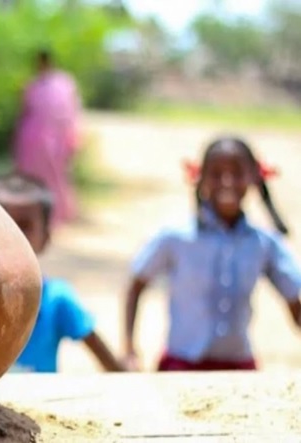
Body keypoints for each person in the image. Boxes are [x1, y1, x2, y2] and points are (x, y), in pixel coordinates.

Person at [122, 136, 301, 372]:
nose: (227, 182)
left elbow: (294, 301)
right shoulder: (175, 238)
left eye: (237, 173)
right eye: (216, 174)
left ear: (254, 177)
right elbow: (136, 286)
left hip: (239, 369)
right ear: (200, 178)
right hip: (180, 366)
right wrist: (129, 350)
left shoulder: (264, 244)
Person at [0, 172, 124, 373]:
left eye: (24, 226)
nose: (13, 235)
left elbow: (110, 364)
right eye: (4, 224)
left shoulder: (56, 299)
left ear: (46, 238)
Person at [13, 49, 81, 229]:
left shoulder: (64, 84)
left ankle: (55, 215)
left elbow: (72, 114)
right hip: (34, 140)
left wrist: (72, 138)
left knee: (55, 178)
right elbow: (25, 111)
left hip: (55, 141)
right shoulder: (33, 85)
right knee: (32, 179)